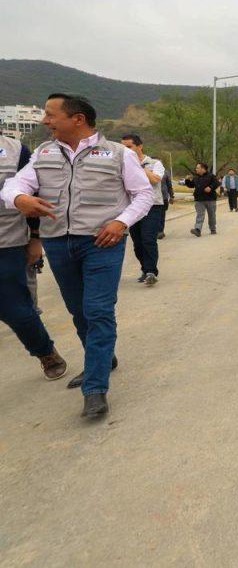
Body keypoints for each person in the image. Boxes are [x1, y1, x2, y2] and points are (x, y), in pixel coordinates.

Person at [2, 93, 153, 418]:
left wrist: (120, 221)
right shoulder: (43, 153)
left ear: (77, 119)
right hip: (58, 243)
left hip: (102, 242)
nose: (45, 120)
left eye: (50, 114)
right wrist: (19, 200)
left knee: (97, 310)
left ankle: (95, 387)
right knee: (78, 310)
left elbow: (143, 194)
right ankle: (102, 357)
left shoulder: (118, 153)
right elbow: (14, 185)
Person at [0, 133, 67, 380]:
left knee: (16, 308)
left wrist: (36, 238)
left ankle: (45, 352)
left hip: (6, 241)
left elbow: (34, 192)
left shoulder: (15, 150)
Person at [120, 134, 164, 285]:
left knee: (148, 239)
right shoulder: (121, 163)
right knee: (137, 242)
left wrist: (137, 167)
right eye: (123, 147)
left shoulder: (154, 163)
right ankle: (145, 269)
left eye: (129, 147)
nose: (126, 150)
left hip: (152, 206)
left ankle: (151, 271)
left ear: (139, 146)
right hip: (132, 208)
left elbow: (155, 179)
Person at [185, 162, 219, 236]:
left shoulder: (211, 176)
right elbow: (191, 185)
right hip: (199, 199)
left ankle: (213, 229)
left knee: (212, 215)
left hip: (210, 199)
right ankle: (197, 229)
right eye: (196, 168)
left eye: (197, 168)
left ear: (203, 169)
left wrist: (210, 187)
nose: (196, 169)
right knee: (200, 215)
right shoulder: (195, 177)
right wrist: (187, 180)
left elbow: (216, 183)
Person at [156, 169, 174, 239]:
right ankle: (155, 231)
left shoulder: (165, 172)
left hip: (163, 198)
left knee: (161, 214)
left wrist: (171, 196)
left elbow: (169, 185)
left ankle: (160, 231)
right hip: (150, 198)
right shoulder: (147, 171)